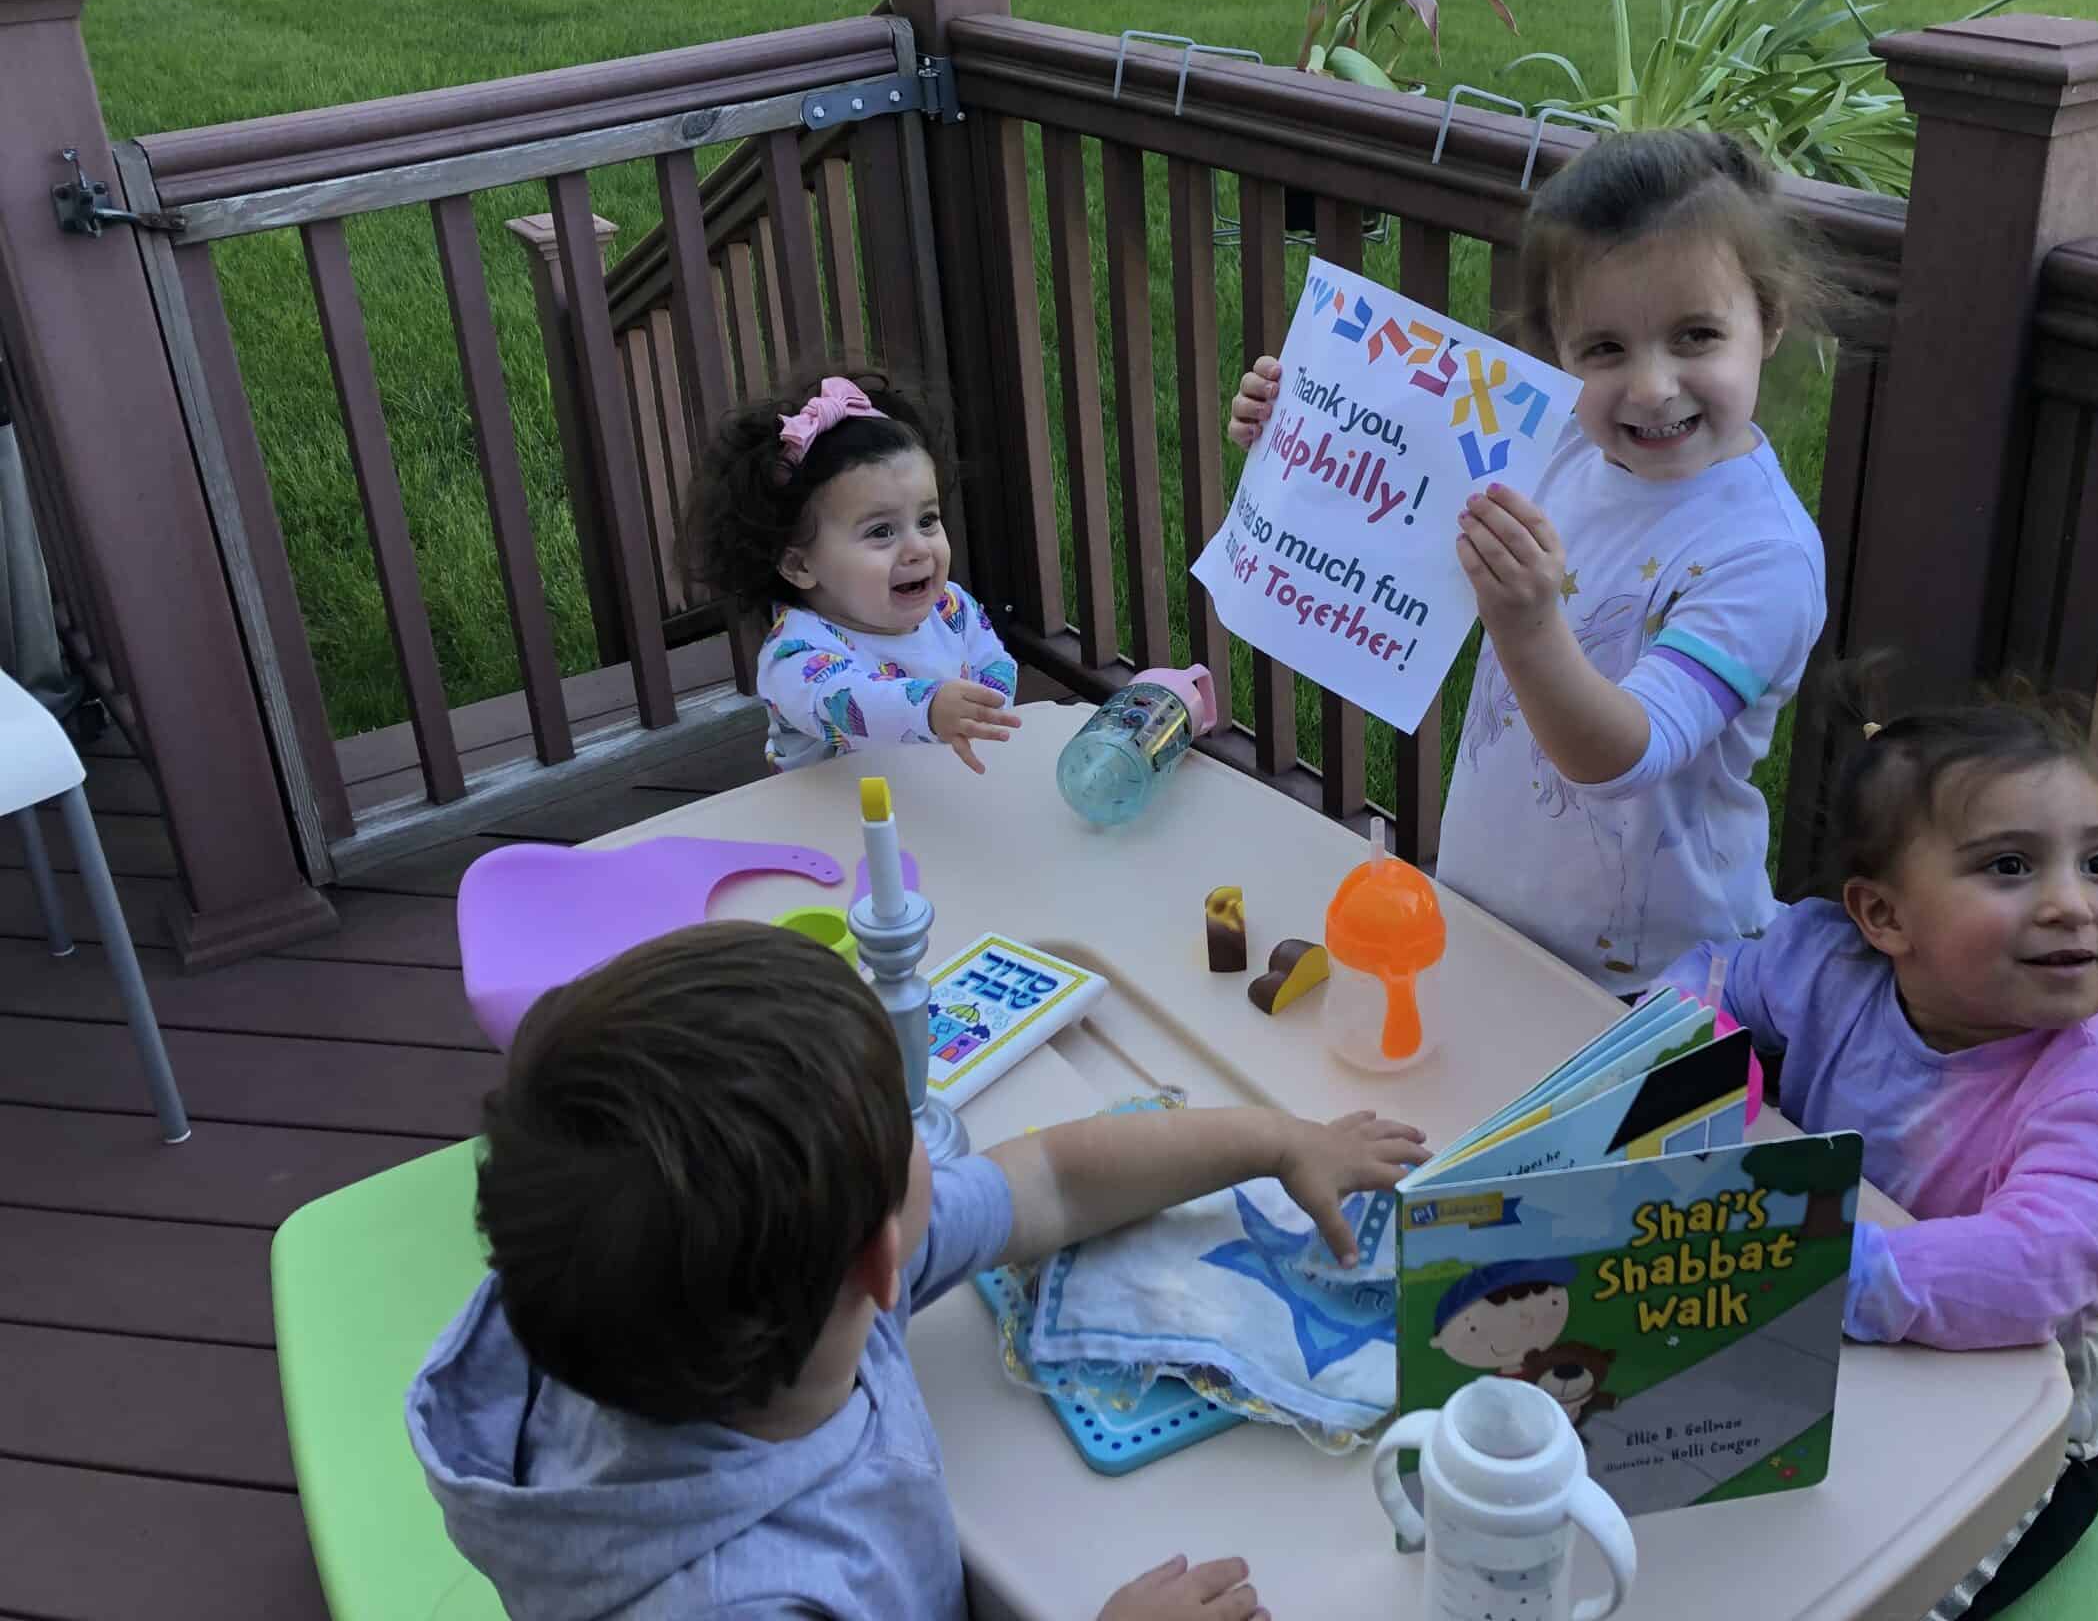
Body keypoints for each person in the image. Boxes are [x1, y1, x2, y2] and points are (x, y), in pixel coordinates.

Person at [409, 921, 1428, 1621]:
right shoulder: (748, 1598)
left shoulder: (724, 1299)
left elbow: (1055, 1181)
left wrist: (1273, 1140)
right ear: (880, 1261)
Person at [1230, 131, 1836, 995]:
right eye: (1605, 349)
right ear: (1558, 350)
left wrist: (1528, 626)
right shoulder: (1554, 442)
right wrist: (1295, 430)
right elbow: (1398, 476)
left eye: (1696, 335)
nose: (1654, 386)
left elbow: (1626, 755)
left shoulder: (1760, 556)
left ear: (1767, 324)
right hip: (1488, 914)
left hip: (1650, 985)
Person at [1655, 678, 2098, 1618]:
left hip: (2015, 1434)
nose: (2071, 904)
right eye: (2011, 866)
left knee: (1878, 1588)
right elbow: (1707, 981)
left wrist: (1822, 1266)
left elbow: (2037, 1265)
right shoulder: (1826, 964)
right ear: (1883, 918)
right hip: (1818, 1329)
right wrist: (1701, 1080)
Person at [688, 370, 1021, 774]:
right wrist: (931, 709)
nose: (917, 548)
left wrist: (987, 707)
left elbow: (993, 661)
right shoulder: (795, 654)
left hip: (935, 797)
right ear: (800, 564)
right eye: (881, 531)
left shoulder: (951, 608)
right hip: (829, 823)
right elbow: (853, 703)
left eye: (928, 520)